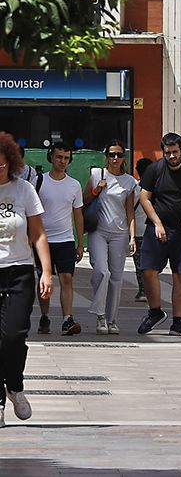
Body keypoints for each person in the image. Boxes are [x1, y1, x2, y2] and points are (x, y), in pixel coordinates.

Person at [136, 132, 181, 337]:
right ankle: (155, 311)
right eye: (167, 152)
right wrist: (157, 223)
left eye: (175, 152)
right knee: (148, 270)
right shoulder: (154, 170)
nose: (171, 156)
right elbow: (144, 198)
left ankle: (178, 321)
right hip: (158, 228)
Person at [0, 132, 51, 427]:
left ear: (11, 163)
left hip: (19, 270)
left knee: (14, 336)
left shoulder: (24, 191)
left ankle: (15, 387)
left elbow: (38, 234)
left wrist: (45, 271)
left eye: (2, 166)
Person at [85, 142, 137, 335]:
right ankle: (100, 315)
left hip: (120, 232)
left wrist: (133, 236)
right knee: (102, 272)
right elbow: (83, 200)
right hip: (98, 230)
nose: (115, 158)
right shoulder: (97, 174)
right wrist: (95, 190)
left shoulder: (129, 181)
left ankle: (111, 319)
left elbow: (130, 210)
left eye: (119, 155)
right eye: (112, 154)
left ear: (124, 157)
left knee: (116, 278)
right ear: (106, 156)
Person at [35, 145, 84, 337]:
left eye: (66, 158)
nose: (62, 161)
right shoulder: (39, 181)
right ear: (51, 158)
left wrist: (80, 242)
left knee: (66, 279)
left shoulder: (74, 185)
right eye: (59, 157)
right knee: (43, 280)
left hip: (65, 240)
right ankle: (45, 315)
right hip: (43, 240)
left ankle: (67, 319)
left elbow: (78, 215)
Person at [132, 156, 153, 301]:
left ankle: (142, 290)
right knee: (151, 262)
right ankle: (151, 289)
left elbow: (128, 209)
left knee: (139, 262)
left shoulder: (135, 189)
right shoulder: (157, 188)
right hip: (153, 229)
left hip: (138, 230)